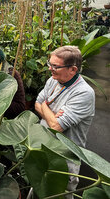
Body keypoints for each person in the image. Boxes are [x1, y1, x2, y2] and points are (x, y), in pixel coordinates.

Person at [35, 45, 95, 198]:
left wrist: (45, 106)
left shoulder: (84, 93)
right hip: (44, 146)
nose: (50, 69)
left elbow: (56, 126)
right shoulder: (53, 81)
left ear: (73, 70)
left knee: (61, 193)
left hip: (65, 157)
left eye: (55, 66)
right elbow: (36, 103)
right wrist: (51, 114)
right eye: (50, 64)